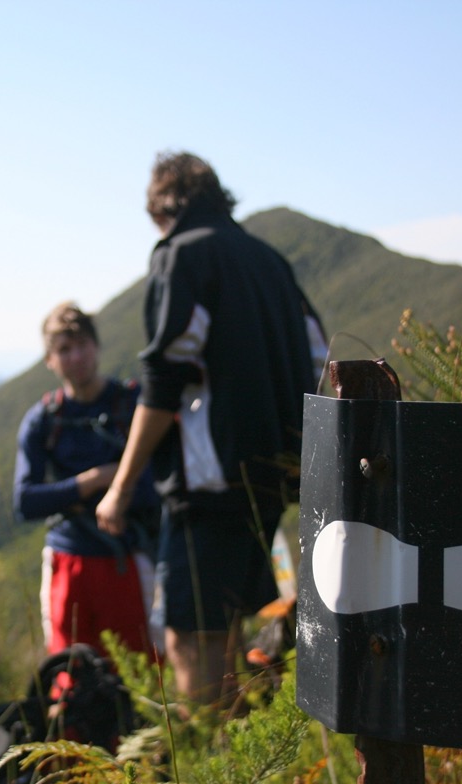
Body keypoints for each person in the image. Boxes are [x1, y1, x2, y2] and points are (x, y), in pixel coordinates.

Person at [96, 151, 324, 706]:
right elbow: (321, 358)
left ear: (161, 208)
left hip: (208, 483)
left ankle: (205, 771)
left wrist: (120, 491)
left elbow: (166, 375)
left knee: (185, 640)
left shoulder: (182, 256)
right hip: (271, 479)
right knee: (225, 630)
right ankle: (242, 760)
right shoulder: (270, 261)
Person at [13, 301, 161, 657]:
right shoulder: (44, 419)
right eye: (64, 349)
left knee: (138, 669)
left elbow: (156, 488)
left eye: (82, 345)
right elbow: (25, 502)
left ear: (96, 346)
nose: (76, 357)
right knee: (70, 669)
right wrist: (96, 480)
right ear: (49, 360)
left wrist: (75, 493)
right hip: (68, 558)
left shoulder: (133, 405)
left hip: (129, 556)